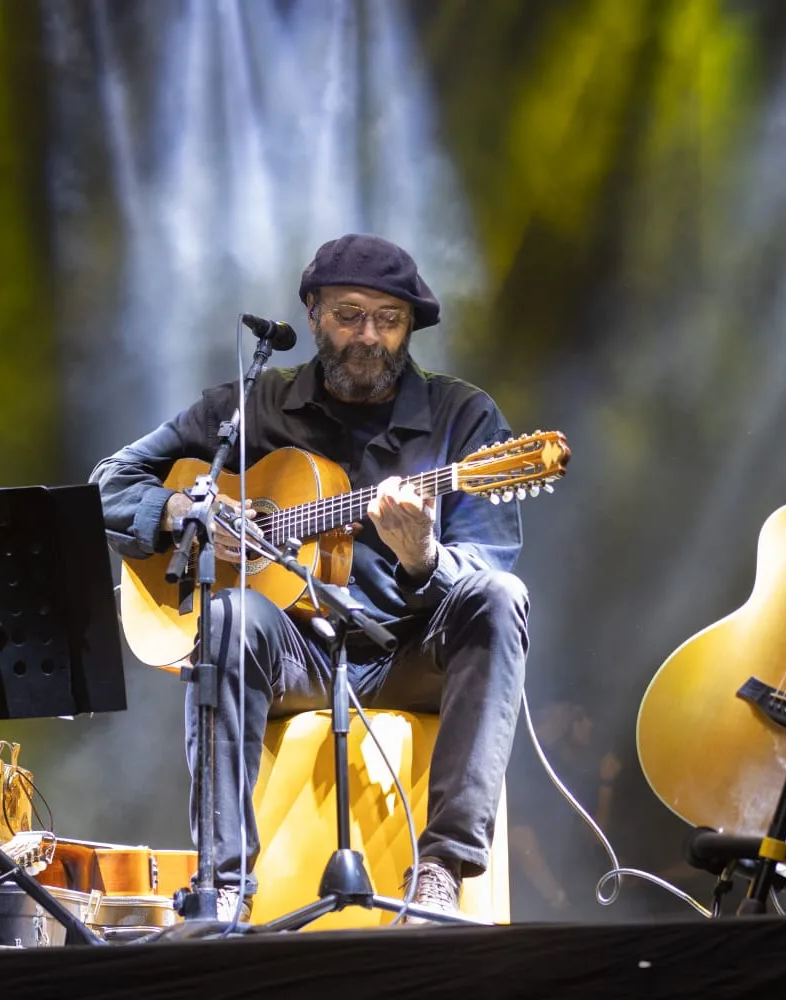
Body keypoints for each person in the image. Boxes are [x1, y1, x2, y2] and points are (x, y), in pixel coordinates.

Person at [90, 234, 530, 923]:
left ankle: (441, 869)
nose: (369, 338)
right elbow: (108, 483)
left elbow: (488, 565)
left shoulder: (462, 419)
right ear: (313, 312)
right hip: (299, 653)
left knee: (503, 600)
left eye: (389, 321)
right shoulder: (254, 406)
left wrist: (423, 558)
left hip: (409, 651)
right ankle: (224, 886)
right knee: (231, 616)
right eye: (350, 315)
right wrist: (185, 510)